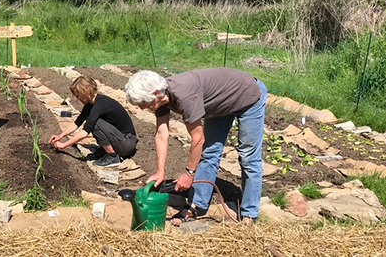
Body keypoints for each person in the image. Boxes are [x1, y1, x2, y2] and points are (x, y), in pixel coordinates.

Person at [124, 68, 268, 224]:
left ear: (155, 94)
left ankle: (250, 213)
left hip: (247, 95)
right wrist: (160, 172)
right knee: (210, 153)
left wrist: (189, 174)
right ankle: (197, 206)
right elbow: (161, 134)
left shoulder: (184, 96)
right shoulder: (161, 100)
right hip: (220, 103)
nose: (141, 108)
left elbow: (198, 138)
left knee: (248, 157)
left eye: (142, 103)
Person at [49, 76, 138, 167]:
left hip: (127, 143)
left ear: (87, 92)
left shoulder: (100, 105)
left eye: (79, 95)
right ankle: (107, 150)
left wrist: (64, 145)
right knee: (94, 122)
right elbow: (77, 123)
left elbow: (85, 132)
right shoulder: (90, 105)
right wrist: (60, 136)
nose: (78, 98)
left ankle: (112, 156)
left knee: (95, 123)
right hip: (121, 139)